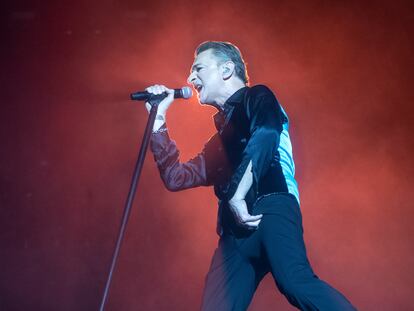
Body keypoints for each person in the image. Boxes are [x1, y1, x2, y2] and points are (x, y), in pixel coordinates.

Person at [145, 41, 356, 311]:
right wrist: (158, 120)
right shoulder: (219, 141)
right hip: (236, 231)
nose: (190, 78)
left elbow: (267, 133)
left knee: (295, 282)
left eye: (198, 68)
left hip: (272, 205)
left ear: (226, 70)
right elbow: (176, 177)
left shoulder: (258, 97)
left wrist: (237, 194)